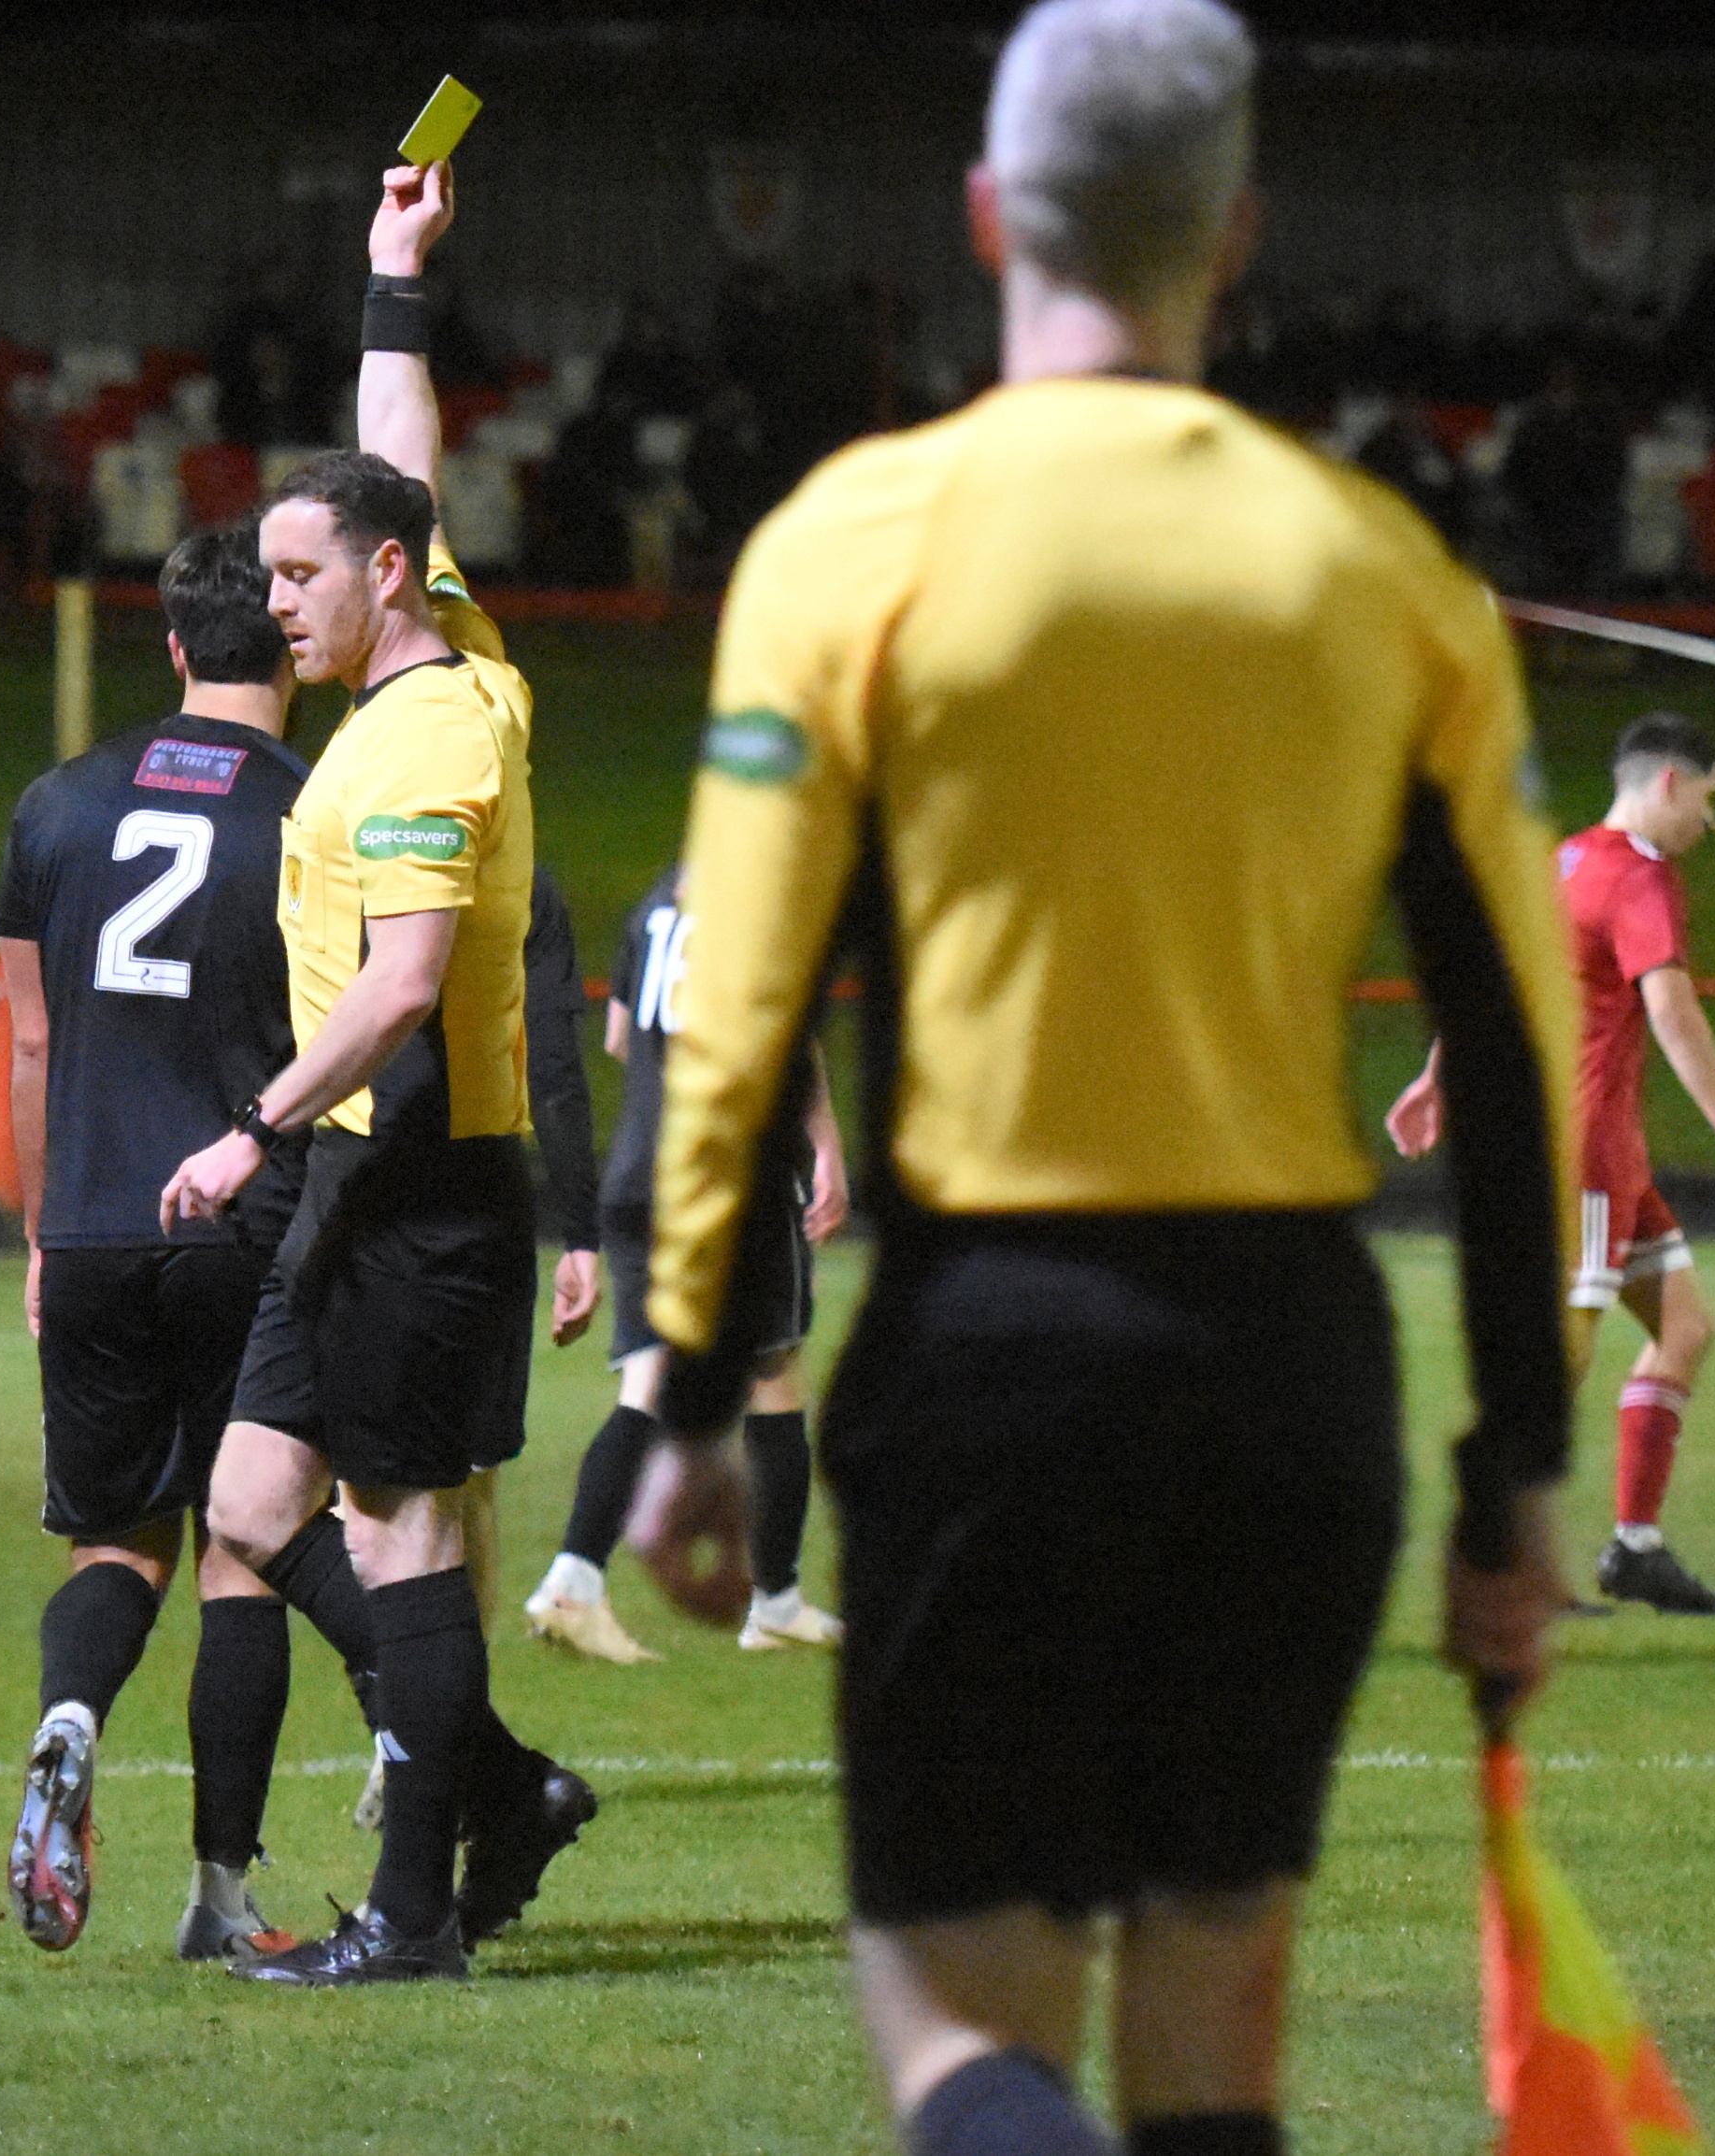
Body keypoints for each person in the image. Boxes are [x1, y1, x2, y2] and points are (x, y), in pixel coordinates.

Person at [643, 7, 1579, 2150]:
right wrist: (1519, 1454)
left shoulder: (848, 545)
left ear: (987, 217)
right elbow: (1512, 1042)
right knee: (1209, 2050)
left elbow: (744, 1005)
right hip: (1289, 1369)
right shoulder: (1382, 571)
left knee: (954, 2021)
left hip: (992, 1349)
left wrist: (692, 1392)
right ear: (1231, 236)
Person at [158, 157, 592, 1988]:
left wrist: (246, 1126)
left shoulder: (427, 739)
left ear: (382, 579)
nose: (270, 606)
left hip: (418, 1180)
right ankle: (503, 1784)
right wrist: (392, 278)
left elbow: (408, 985)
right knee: (254, 1507)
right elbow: (393, 458)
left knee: (400, 1536)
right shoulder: (434, 651)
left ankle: (413, 1913)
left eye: (294, 575)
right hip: (351, 1179)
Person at [0, 520, 316, 1965]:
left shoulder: (57, 803)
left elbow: (32, 1040)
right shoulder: (312, 810)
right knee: (246, 1547)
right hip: (247, 1220)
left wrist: (43, 1230)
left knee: (116, 1538)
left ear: (174, 645)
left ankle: (70, 1717)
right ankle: (220, 1894)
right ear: (293, 642)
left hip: (94, 1223)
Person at [1390, 709, 1715, 1615]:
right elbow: (1672, 1011)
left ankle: (1633, 1548)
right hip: (1587, 1155)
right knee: (1556, 1356)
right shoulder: (1641, 878)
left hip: (1603, 1156)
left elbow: (1503, 979)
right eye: (1706, 798)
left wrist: (1435, 1074)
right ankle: (1498, 1550)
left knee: (1684, 1327)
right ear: (1667, 782)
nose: (1708, 821)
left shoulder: (1563, 861)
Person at [528, 860, 850, 1664]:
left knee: (658, 1378)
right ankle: (765, 1599)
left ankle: (585, 1579)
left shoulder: (655, 904)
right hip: (724, 1177)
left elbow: (617, 1037)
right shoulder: (757, 898)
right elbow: (780, 1044)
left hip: (640, 1174)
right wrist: (825, 1148)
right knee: (774, 1367)